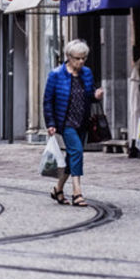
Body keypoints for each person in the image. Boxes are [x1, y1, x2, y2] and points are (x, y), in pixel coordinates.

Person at [43, 39, 104, 208]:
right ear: (68, 57)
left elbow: (89, 95)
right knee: (77, 151)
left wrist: (96, 95)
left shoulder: (87, 73)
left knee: (72, 156)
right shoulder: (56, 75)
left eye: (84, 58)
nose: (81, 61)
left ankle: (58, 189)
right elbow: (48, 101)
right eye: (77, 58)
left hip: (82, 121)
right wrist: (50, 123)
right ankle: (77, 192)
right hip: (66, 121)